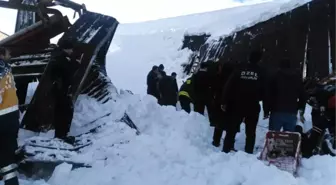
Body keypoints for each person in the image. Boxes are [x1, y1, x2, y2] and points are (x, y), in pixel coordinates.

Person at [221, 50, 267, 154]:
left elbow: (229, 85)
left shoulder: (239, 69)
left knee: (231, 128)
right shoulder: (261, 72)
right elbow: (265, 90)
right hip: (253, 105)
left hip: (237, 104)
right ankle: (248, 152)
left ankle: (226, 149)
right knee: (251, 131)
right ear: (259, 59)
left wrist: (224, 101)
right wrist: (266, 108)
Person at [50, 39, 80, 144]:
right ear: (66, 49)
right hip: (61, 90)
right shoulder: (61, 59)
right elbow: (66, 70)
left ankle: (60, 134)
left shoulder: (58, 57)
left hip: (60, 90)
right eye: (71, 49)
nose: (72, 51)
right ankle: (61, 135)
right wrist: (75, 63)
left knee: (62, 112)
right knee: (65, 112)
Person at [264, 59, 306, 132]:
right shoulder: (296, 78)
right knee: (289, 138)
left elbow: (268, 94)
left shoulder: (274, 76)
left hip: (276, 110)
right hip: (292, 111)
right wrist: (300, 107)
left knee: (273, 136)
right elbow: (303, 95)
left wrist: (266, 110)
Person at [0, 47, 20, 185]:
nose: (10, 55)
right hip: (10, 118)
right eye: (8, 53)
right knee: (7, 153)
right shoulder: (5, 70)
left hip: (3, 118)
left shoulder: (4, 70)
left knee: (5, 153)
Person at [211, 60, 238, 147]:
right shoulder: (234, 78)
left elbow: (214, 89)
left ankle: (216, 141)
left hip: (219, 102)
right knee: (231, 126)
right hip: (232, 104)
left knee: (219, 124)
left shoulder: (218, 77)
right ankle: (229, 144)